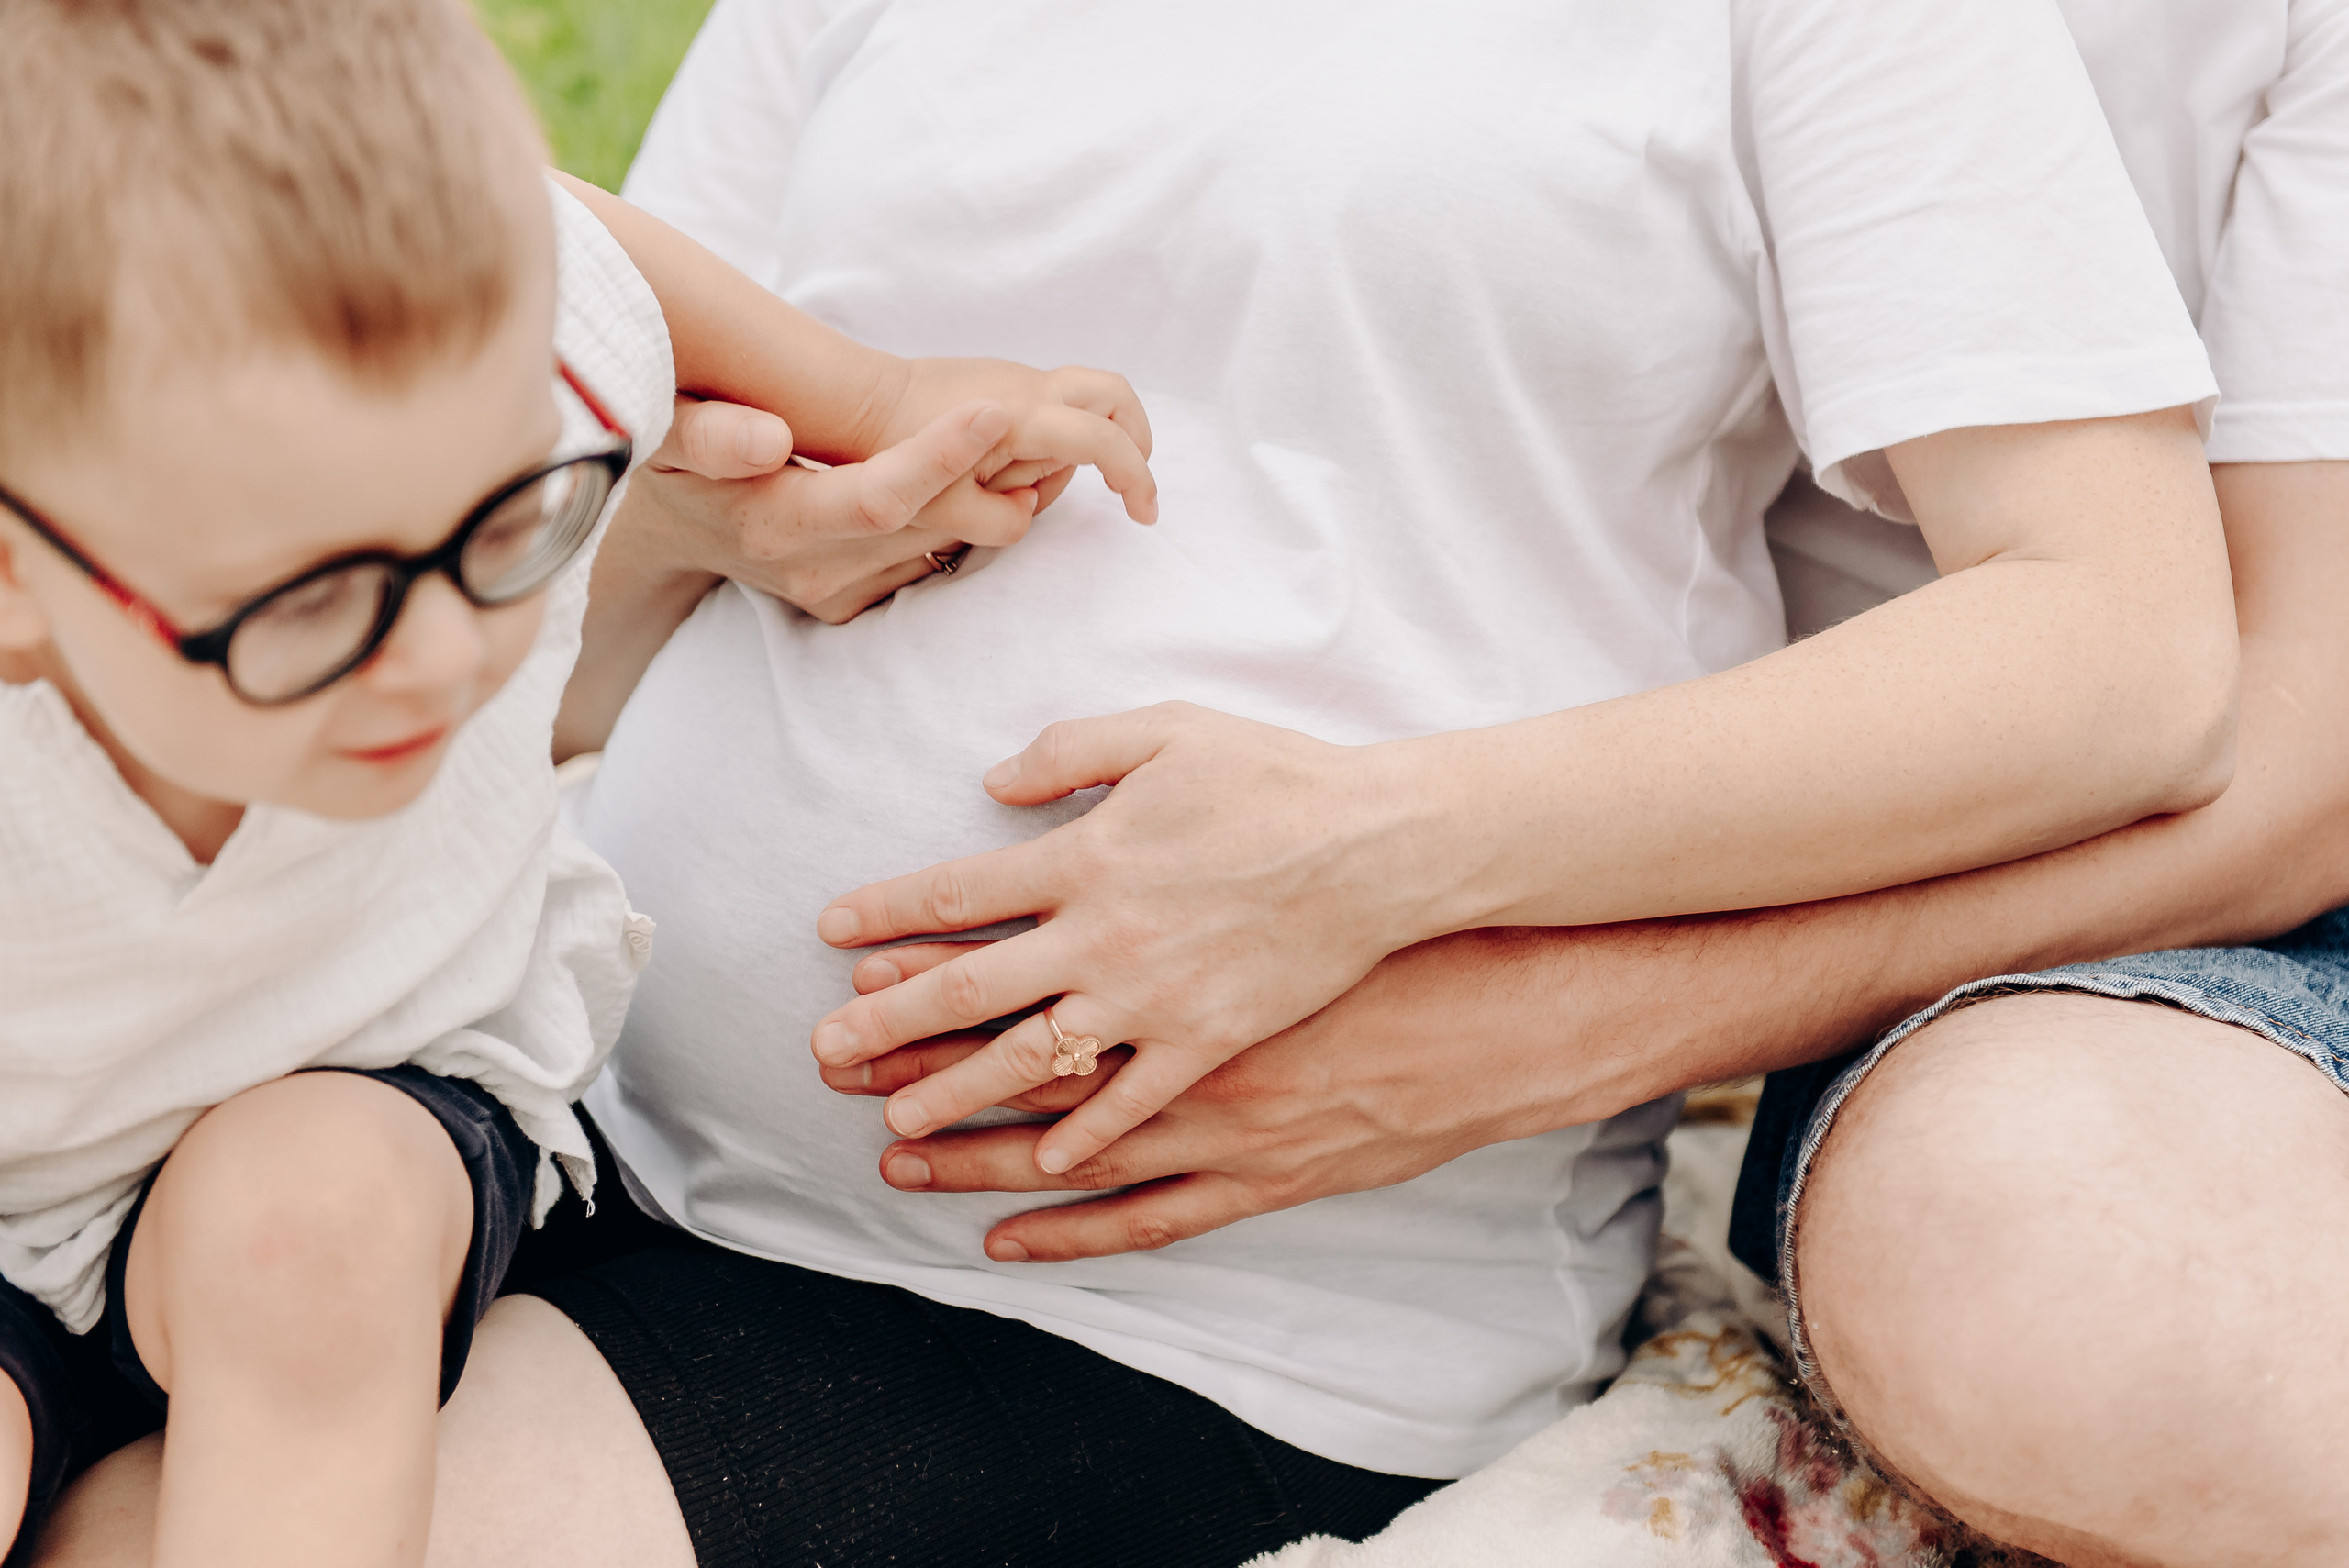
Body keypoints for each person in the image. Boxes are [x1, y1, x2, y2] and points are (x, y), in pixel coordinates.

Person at [48, 2, 2250, 1566]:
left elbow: (2115, 650)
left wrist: (1382, 853)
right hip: (555, 1123)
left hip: (1135, 1303)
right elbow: (565, 557)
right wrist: (739, 518)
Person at [831, 1, 2349, 1561]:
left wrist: (1579, 1018)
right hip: (1835, 844)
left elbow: (2303, 772)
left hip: (2197, 873)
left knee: (2070, 1268)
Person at [0, 4, 1152, 1564]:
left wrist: (872, 401)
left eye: (501, 526)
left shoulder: (476, 360)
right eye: (316, 601)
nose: (439, 657)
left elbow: (591, 260)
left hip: (365, 1084)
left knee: (305, 1229)